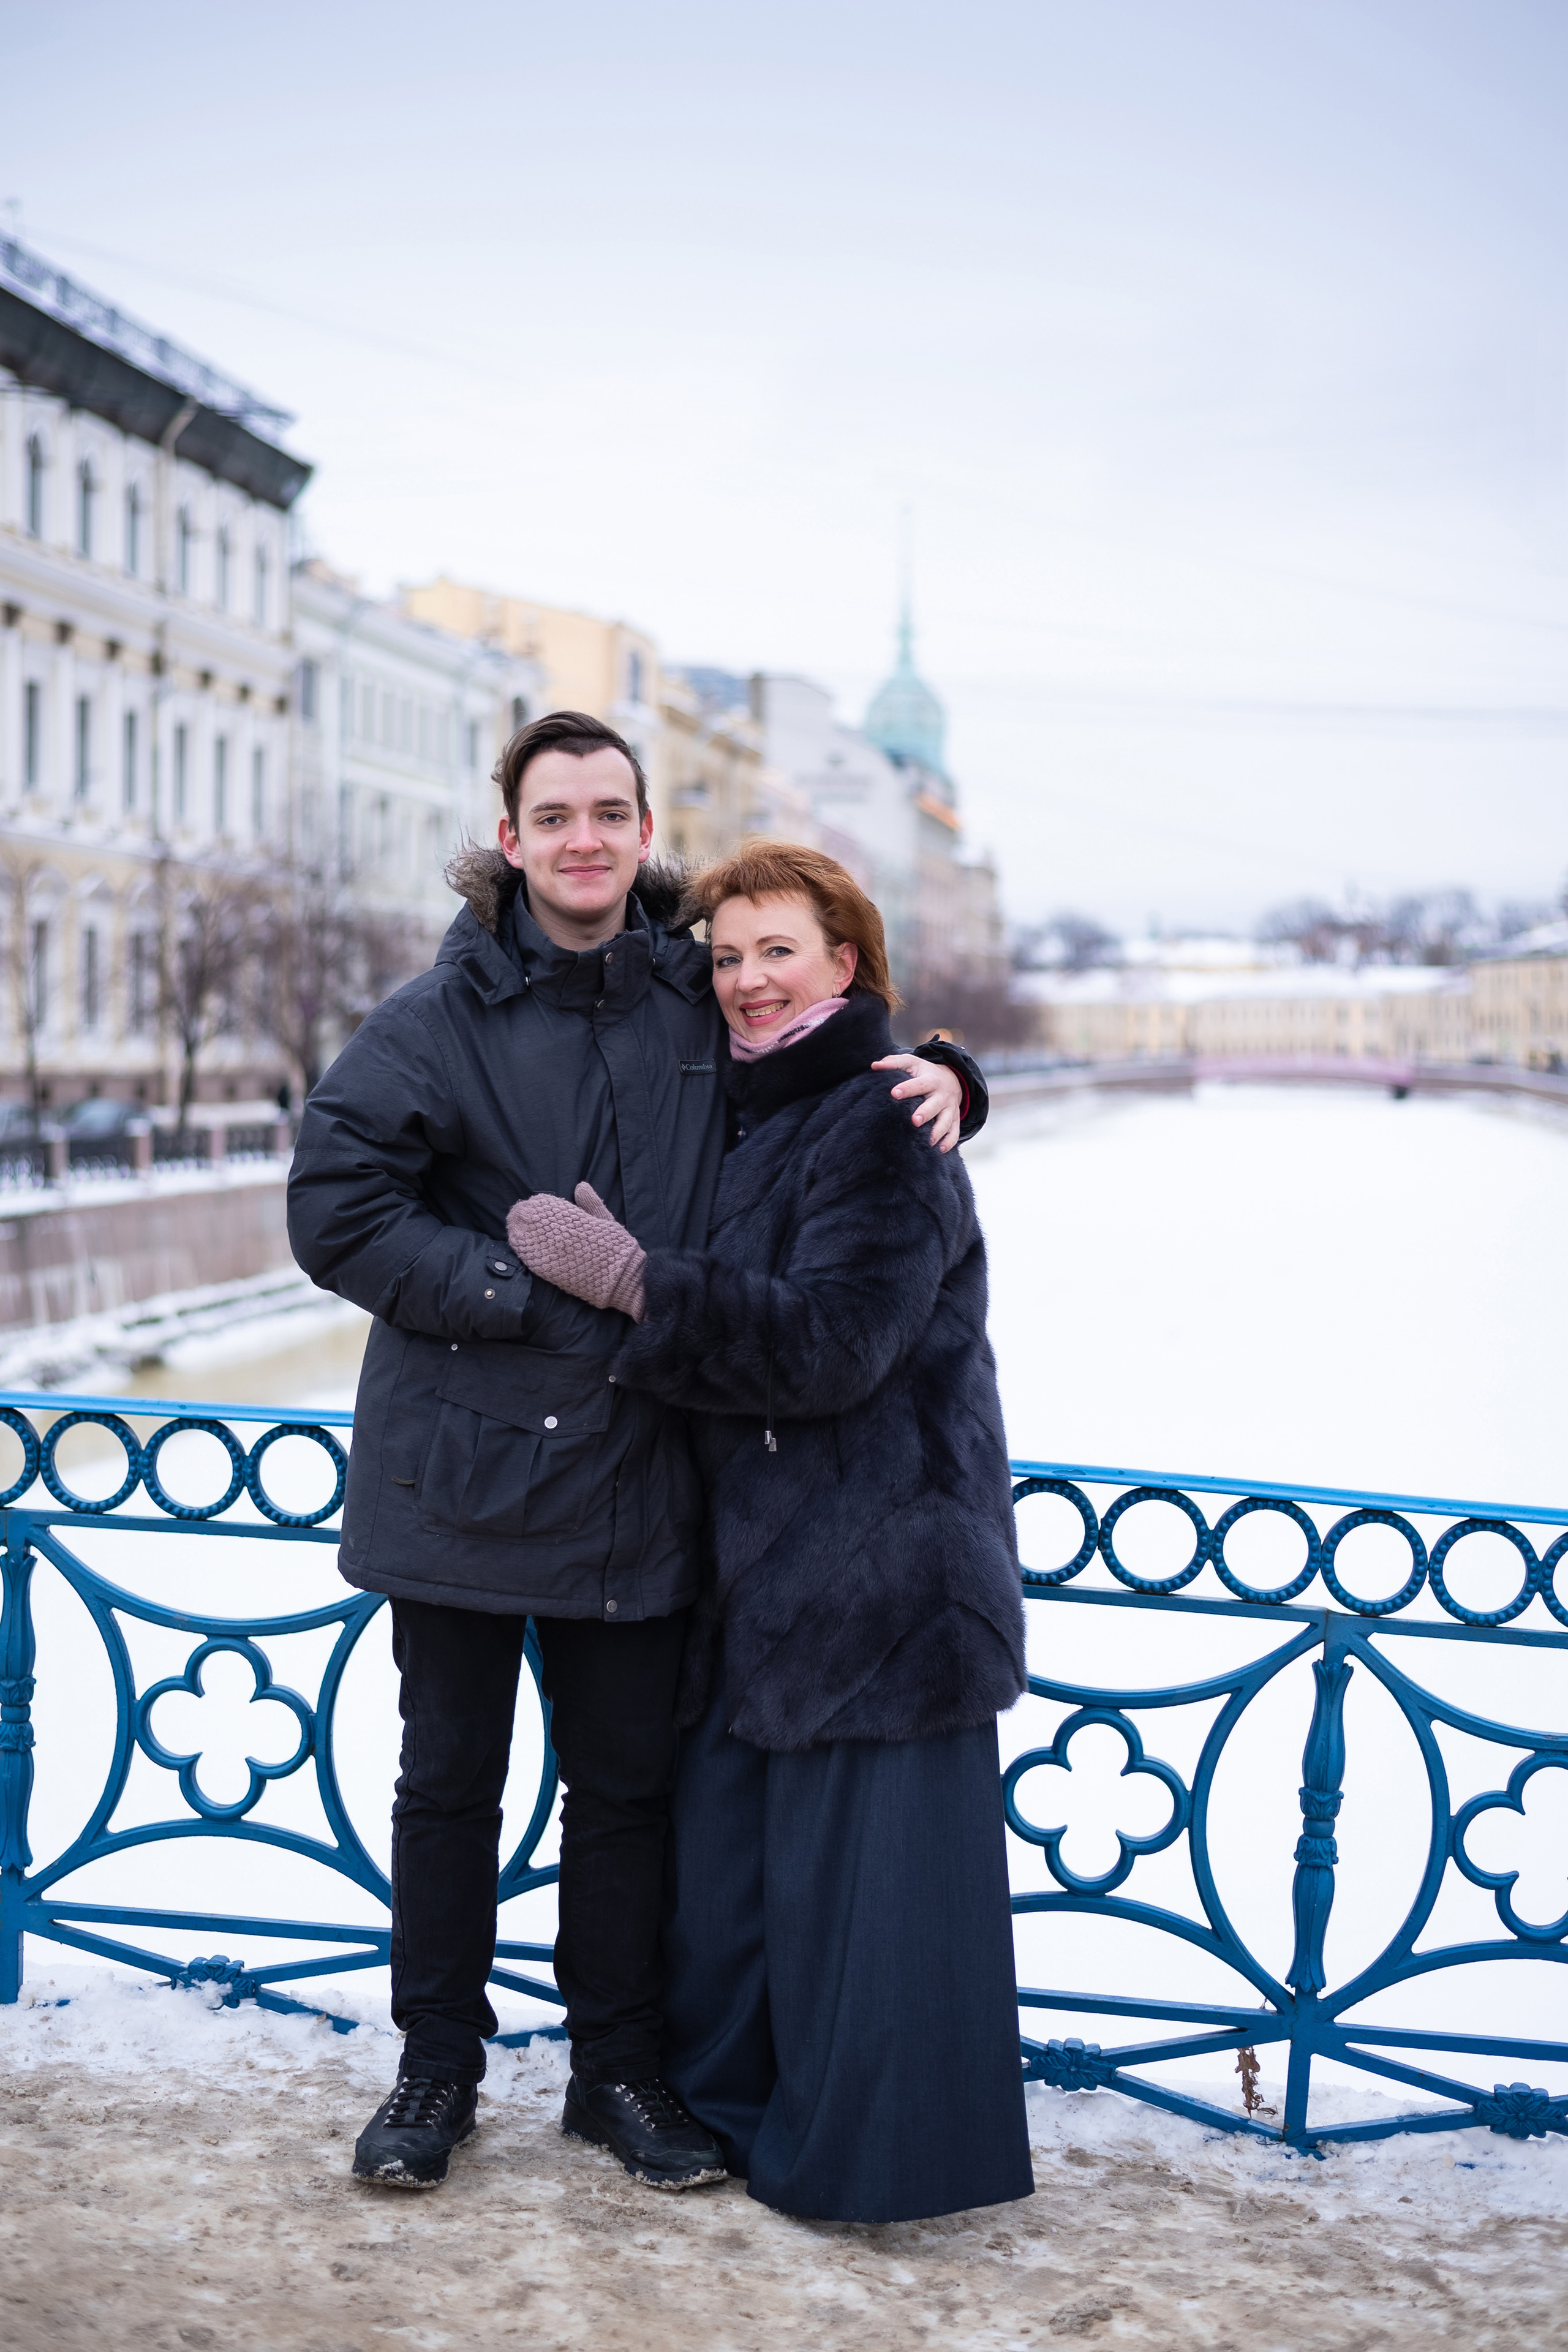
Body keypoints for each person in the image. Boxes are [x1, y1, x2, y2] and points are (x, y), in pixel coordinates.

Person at [285, 712, 988, 2191]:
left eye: (612, 811)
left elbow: (812, 1052)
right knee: (448, 1792)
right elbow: (333, 1205)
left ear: (646, 831)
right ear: (509, 840)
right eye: (556, 817)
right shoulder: (440, 1011)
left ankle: (617, 2073)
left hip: (637, 1474)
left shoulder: (690, 988)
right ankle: (433, 2074)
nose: (586, 839)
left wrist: (947, 1075)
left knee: (622, 1797)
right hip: (464, 1471)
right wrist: (510, 1289)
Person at [508, 840, 1033, 2226]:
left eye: (777, 952)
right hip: (765, 1578)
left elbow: (831, 1349)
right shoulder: (746, 1106)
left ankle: (877, 2166)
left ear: (842, 963)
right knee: (748, 1892)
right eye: (727, 956)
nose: (744, 981)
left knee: (866, 1907)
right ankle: (743, 2122)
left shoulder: (877, 1118)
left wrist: (638, 1286)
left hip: (882, 1580)